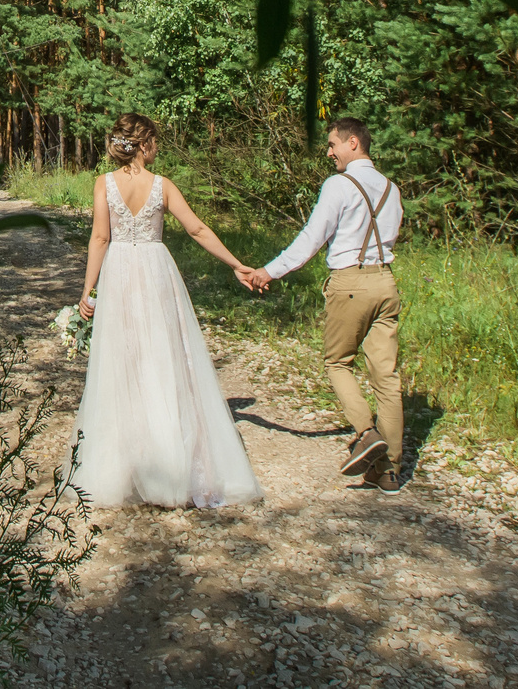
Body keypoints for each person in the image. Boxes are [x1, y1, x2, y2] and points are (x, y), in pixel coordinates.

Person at [68, 116, 265, 509]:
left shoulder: (104, 183)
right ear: (145, 145)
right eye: (154, 141)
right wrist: (236, 264)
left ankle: (124, 466)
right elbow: (197, 229)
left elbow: (101, 237)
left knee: (124, 363)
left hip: (120, 273)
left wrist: (89, 291)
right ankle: (171, 461)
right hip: (157, 273)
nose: (157, 147)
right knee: (163, 360)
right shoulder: (162, 186)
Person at [237, 116, 407, 493]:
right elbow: (391, 236)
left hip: (350, 283)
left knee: (337, 362)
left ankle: (366, 433)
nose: (329, 152)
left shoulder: (339, 185)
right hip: (386, 283)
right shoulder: (391, 189)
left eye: (333, 144)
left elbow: (312, 239)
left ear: (353, 144)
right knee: (387, 376)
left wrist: (270, 271)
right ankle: (390, 470)